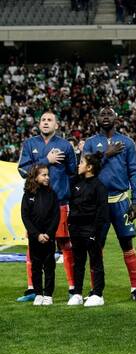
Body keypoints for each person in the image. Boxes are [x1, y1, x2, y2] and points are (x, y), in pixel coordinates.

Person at [82, 107, 136, 300]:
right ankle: (95, 289)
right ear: (97, 118)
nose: (106, 116)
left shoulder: (127, 142)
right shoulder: (90, 143)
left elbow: (134, 172)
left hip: (121, 201)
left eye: (109, 114)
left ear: (116, 118)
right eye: (102, 114)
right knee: (95, 246)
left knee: (127, 243)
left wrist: (135, 201)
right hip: (97, 204)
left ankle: (135, 289)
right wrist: (105, 154)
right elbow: (84, 169)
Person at [16, 111, 77, 302]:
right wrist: (46, 161)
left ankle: (72, 287)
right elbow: (22, 170)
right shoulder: (30, 144)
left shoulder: (65, 146)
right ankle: (32, 289)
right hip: (35, 203)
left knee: (65, 244)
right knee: (33, 245)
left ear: (56, 125)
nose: (45, 122)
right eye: (43, 119)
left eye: (50, 120)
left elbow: (73, 173)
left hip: (59, 203)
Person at [67, 152, 109, 307]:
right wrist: (71, 225)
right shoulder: (76, 183)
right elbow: (72, 205)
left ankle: (98, 294)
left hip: (91, 230)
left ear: (90, 167)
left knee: (95, 262)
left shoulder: (99, 186)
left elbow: (102, 212)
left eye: (82, 162)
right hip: (76, 229)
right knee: (78, 262)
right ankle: (77, 293)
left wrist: (94, 232)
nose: (79, 165)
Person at [20, 165, 60, 306]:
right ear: (35, 177)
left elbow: (56, 216)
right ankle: (38, 294)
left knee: (49, 266)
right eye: (44, 175)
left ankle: (48, 294)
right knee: (36, 266)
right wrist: (36, 234)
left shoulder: (52, 194)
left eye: (48, 174)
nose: (47, 177)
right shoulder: (28, 195)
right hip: (34, 238)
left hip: (49, 238)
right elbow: (25, 217)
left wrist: (48, 234)